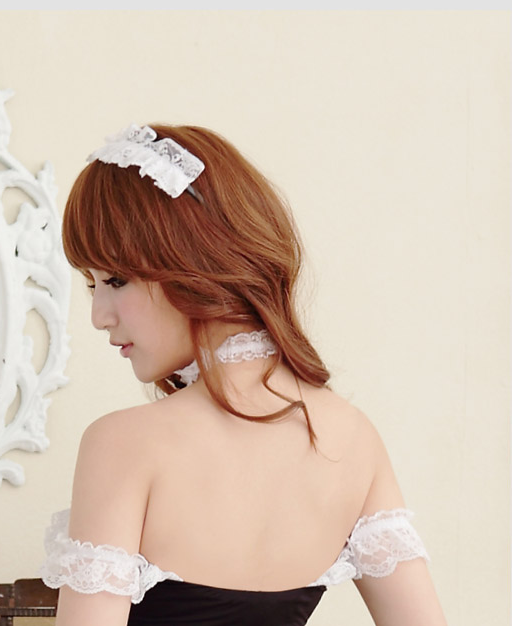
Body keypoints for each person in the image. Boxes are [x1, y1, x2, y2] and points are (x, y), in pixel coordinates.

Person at [39, 123, 447, 625]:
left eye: (116, 280)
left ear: (194, 261)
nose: (99, 316)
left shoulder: (124, 443)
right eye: (93, 285)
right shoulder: (352, 436)